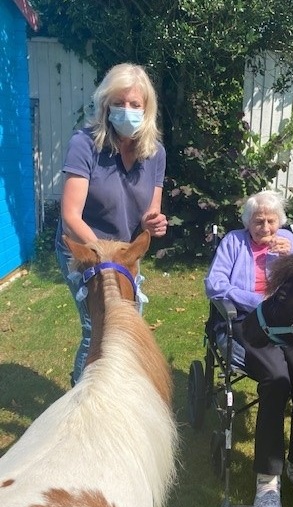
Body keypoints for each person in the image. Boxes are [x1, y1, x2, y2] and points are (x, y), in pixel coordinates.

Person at [205, 190, 293, 507]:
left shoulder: (289, 241)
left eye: (271, 221)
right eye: (258, 221)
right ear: (248, 222)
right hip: (249, 323)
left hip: (290, 326)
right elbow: (214, 284)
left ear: (280, 221)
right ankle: (267, 481)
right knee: (276, 378)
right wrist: (254, 300)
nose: (266, 227)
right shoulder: (233, 242)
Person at [55, 63, 168, 385]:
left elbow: (151, 211)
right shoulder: (85, 143)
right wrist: (102, 256)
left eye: (135, 104)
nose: (126, 110)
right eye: (119, 103)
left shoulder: (155, 153)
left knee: (130, 326)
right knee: (98, 330)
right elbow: (71, 215)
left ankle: (118, 397)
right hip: (84, 248)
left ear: (147, 109)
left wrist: (154, 223)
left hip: (123, 254)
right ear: (106, 105)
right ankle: (82, 399)